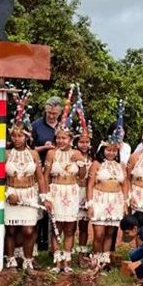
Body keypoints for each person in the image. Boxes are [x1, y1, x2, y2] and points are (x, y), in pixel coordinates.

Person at [5, 100, 46, 272]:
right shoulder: (5, 153)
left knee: (29, 230)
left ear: (26, 136)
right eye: (14, 135)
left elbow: (40, 177)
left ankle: (28, 260)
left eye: (20, 135)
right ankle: (11, 260)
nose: (17, 139)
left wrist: (45, 196)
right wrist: (8, 194)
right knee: (12, 230)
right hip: (11, 192)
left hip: (30, 193)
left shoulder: (34, 153)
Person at [43, 114, 87, 272]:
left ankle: (67, 261)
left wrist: (80, 163)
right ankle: (57, 262)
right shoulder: (51, 153)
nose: (61, 141)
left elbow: (82, 176)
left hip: (71, 191)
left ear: (70, 139)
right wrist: (46, 196)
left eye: (64, 138)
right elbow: (46, 175)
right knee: (56, 227)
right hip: (56, 191)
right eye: (59, 138)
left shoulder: (77, 153)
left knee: (70, 228)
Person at [87, 122, 129, 268]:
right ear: (103, 149)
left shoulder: (121, 166)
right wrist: (90, 203)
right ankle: (96, 259)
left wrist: (125, 202)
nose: (111, 153)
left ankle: (105, 260)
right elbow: (90, 184)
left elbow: (125, 185)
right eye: (108, 150)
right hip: (100, 200)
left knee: (110, 233)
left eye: (114, 151)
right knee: (99, 233)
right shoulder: (96, 164)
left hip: (115, 201)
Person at [32, 96, 63, 252]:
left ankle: (54, 247)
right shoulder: (36, 125)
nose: (52, 116)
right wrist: (44, 148)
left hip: (59, 174)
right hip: (40, 171)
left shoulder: (64, 125)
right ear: (45, 109)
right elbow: (29, 148)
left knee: (57, 210)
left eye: (55, 113)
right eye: (49, 112)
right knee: (41, 208)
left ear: (60, 112)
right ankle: (38, 244)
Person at [75, 130, 93, 266]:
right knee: (67, 226)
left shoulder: (94, 157)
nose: (84, 144)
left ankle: (81, 255)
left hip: (86, 193)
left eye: (87, 142)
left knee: (83, 226)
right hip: (72, 192)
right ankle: (63, 255)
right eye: (81, 142)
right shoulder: (72, 155)